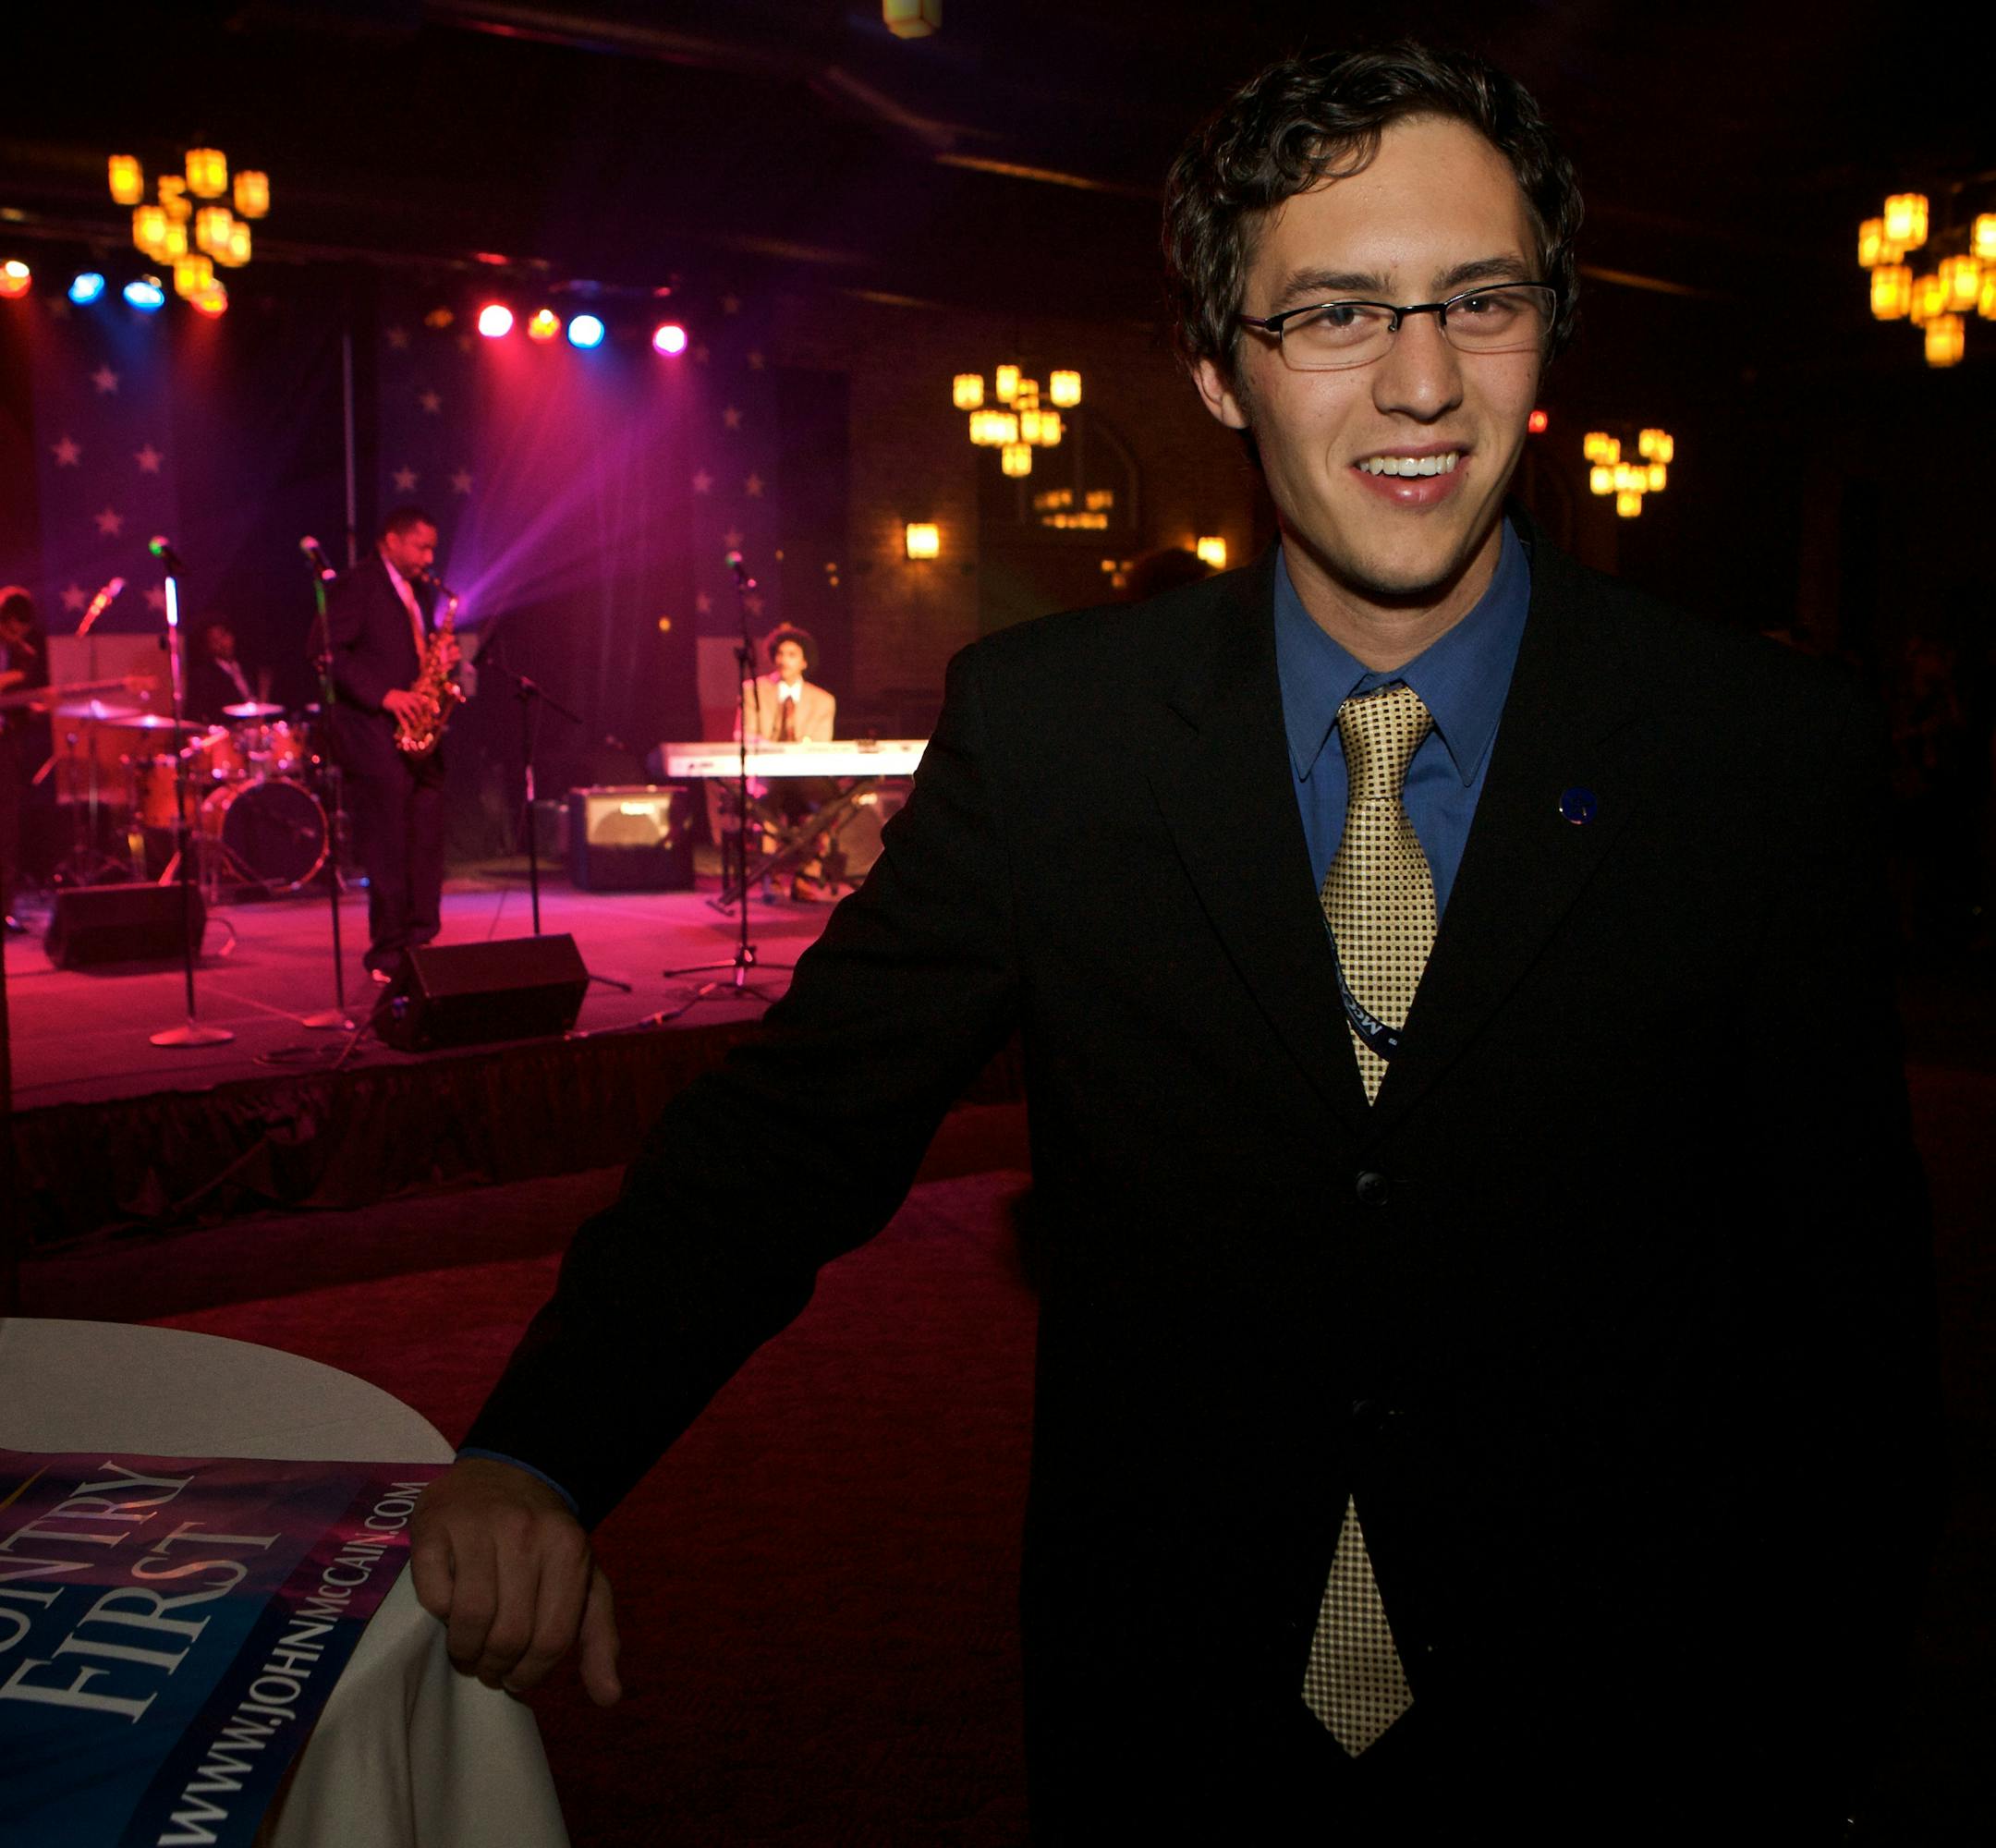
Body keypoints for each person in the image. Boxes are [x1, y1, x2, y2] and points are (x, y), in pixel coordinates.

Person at [410, 44, 1940, 1838]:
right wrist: (538, 1448)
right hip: (1175, 1705)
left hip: (1626, 1718)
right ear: (1219, 367)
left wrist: (1832, 1746)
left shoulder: (1754, 753)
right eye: (1339, 316)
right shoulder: (1055, 737)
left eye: (1479, 301)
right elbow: (795, 1130)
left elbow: (1852, 1308)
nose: (1425, 382)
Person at [323, 506, 456, 982]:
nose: (429, 557)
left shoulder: (415, 592)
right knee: (389, 845)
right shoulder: (359, 585)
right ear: (392, 540)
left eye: (432, 547)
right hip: (375, 734)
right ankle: (389, 951)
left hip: (418, 736)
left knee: (424, 840)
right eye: (422, 546)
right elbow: (325, 652)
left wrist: (440, 660)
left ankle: (422, 936)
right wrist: (384, 695)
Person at [737, 624, 845, 900]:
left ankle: (808, 875)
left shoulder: (823, 700)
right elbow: (744, 735)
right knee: (764, 802)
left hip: (806, 775)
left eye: (792, 654)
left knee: (829, 802)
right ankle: (768, 875)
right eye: (781, 653)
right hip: (768, 773)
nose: (785, 660)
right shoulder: (754, 691)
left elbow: (821, 743)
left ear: (804, 661)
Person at [0, 586, 51, 932]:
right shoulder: (15, 662)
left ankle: (4, 908)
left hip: (5, 746)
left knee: (7, 830)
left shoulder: (14, 655)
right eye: (11, 629)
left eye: (20, 632)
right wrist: (18, 676)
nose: (15, 637)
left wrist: (28, 707)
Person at [186, 617, 262, 725]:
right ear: (208, 647)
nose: (222, 644)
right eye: (214, 641)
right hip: (230, 733)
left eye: (223, 636)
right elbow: (195, 715)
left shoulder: (248, 667)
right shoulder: (204, 677)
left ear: (231, 636)